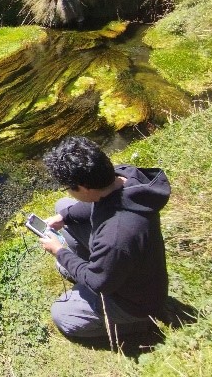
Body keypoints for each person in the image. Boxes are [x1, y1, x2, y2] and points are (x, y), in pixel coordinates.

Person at [36, 136, 169, 340]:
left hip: (134, 301)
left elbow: (98, 281)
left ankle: (138, 325)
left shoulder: (116, 236)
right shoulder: (123, 177)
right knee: (63, 207)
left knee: (63, 316)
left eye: (69, 188)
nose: (69, 193)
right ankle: (88, 262)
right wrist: (64, 217)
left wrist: (59, 252)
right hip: (128, 263)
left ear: (84, 187)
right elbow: (93, 203)